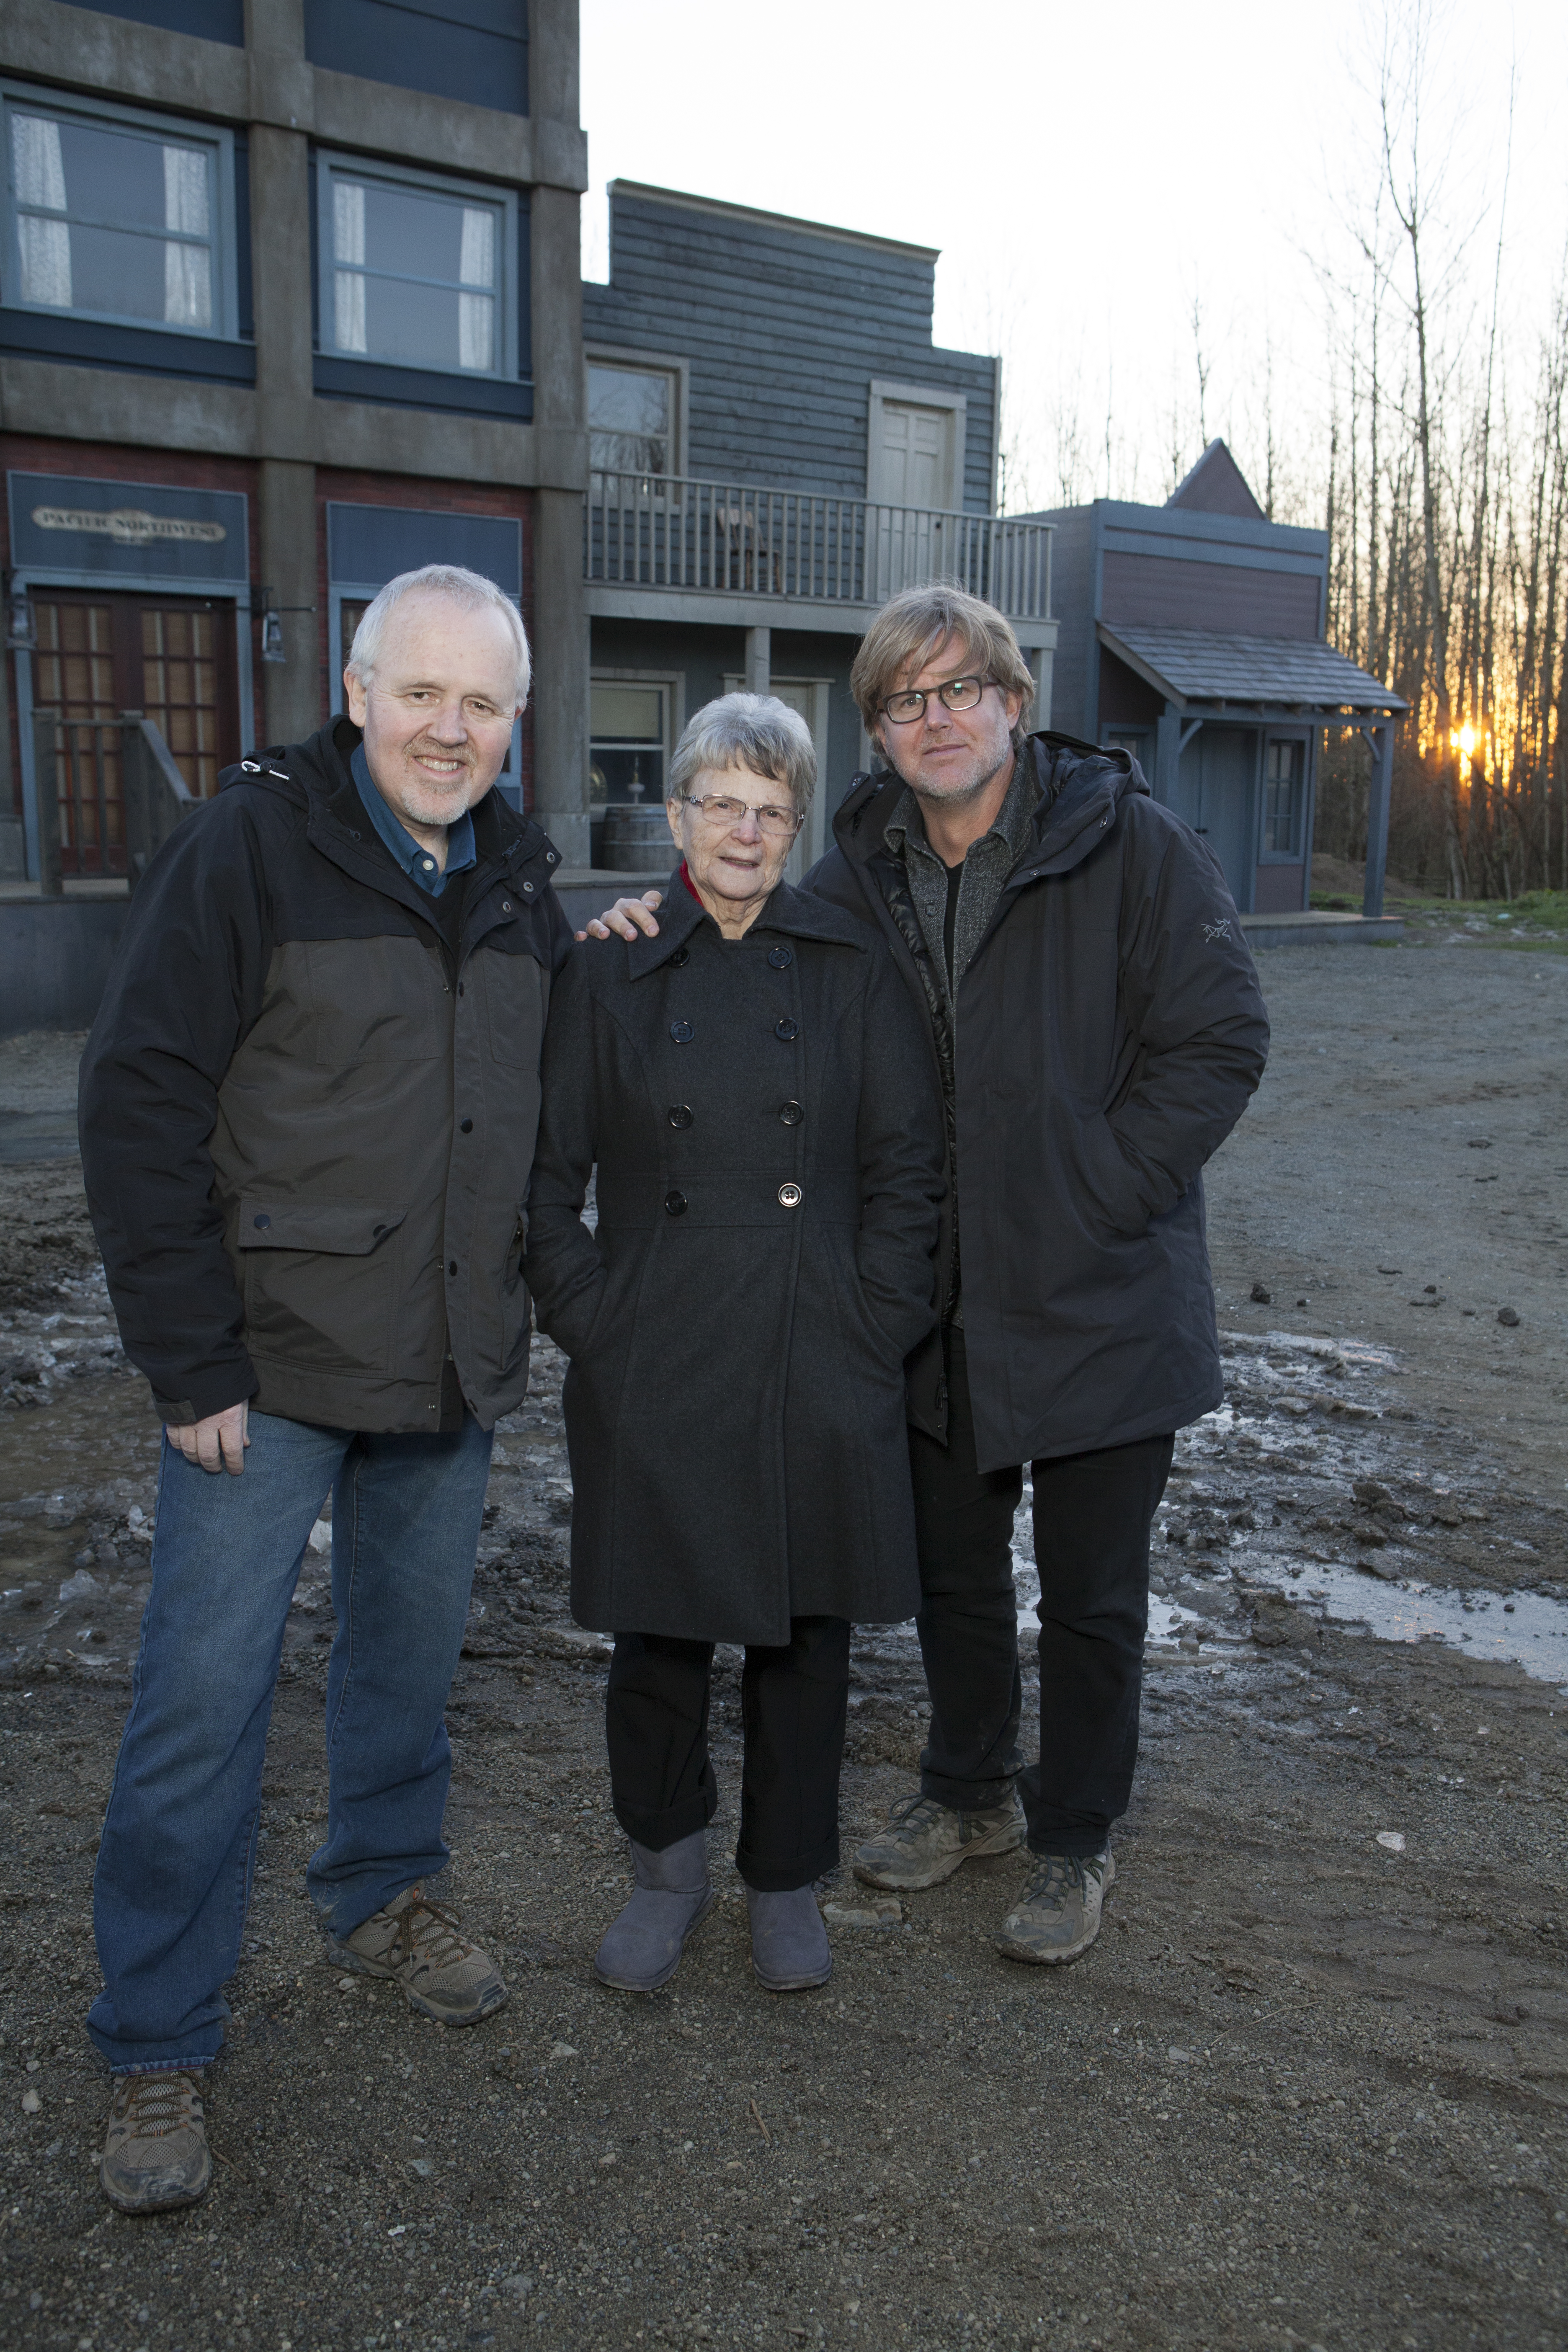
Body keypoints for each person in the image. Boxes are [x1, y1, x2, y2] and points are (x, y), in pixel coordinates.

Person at [581, 586, 1269, 1968]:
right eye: (907, 699)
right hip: (934, 1304)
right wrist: (644, 917)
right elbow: (741, 901)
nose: (937, 718)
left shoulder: (1127, 846)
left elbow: (1222, 1040)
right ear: (880, 731)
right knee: (955, 1573)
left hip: (1097, 1296)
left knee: (1089, 1595)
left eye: (963, 690)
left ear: (1014, 702)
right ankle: (965, 1795)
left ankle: (1071, 1842)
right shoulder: (855, 871)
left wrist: (1100, 1193)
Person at [77, 563, 570, 2215]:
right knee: (199, 1715)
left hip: (441, 1360)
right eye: (421, 693)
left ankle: (383, 1888)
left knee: (407, 1665)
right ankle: (156, 2033)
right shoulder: (253, 845)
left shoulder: (519, 876)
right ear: (359, 694)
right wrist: (187, 1356)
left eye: (483, 703)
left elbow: (544, 1101)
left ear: (517, 722)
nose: (450, 729)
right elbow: (138, 1092)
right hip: (264, 1371)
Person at [525, 693, 944, 1995]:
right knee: (657, 1636)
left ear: (795, 821)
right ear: (677, 817)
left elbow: (909, 1177)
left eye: (772, 810)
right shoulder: (607, 967)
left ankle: (784, 1880)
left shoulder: (849, 965)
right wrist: (599, 1325)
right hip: (653, 1354)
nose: (747, 831)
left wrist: (872, 1327)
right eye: (723, 805)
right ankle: (665, 1871)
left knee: (807, 1638)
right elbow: (544, 1187)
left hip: (816, 1351)